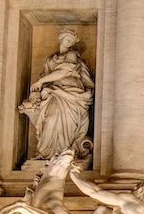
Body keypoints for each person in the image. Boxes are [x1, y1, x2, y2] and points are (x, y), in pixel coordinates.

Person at [21, 28, 95, 160]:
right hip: (54, 92)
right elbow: (47, 74)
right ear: (61, 38)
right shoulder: (50, 59)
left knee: (66, 124)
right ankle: (47, 154)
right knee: (50, 119)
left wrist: (40, 81)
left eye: (71, 41)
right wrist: (40, 86)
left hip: (71, 93)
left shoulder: (71, 54)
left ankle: (64, 154)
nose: (68, 42)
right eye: (67, 39)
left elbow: (63, 72)